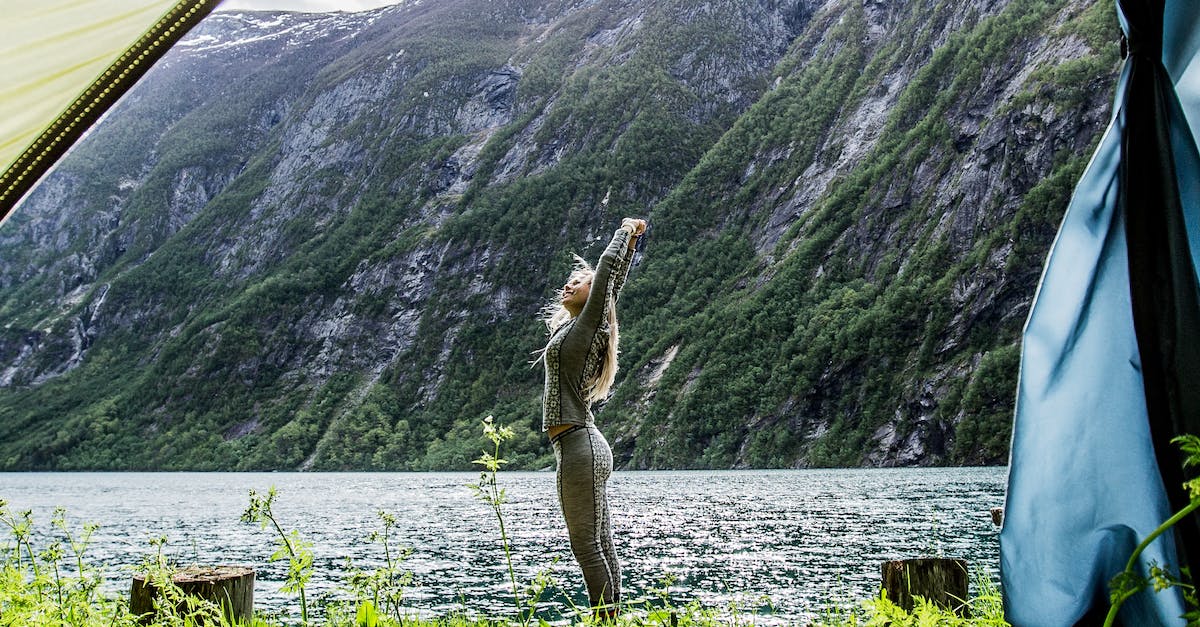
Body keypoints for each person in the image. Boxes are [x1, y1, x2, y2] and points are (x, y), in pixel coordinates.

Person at [537, 216, 646, 619]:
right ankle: (613, 617)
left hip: (580, 445)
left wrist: (626, 232)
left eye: (578, 282)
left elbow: (608, 277)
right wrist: (632, 246)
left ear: (591, 295)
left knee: (586, 543)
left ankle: (605, 619)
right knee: (599, 540)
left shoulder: (589, 325)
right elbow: (612, 282)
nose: (568, 285)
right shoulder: (579, 329)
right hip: (583, 443)